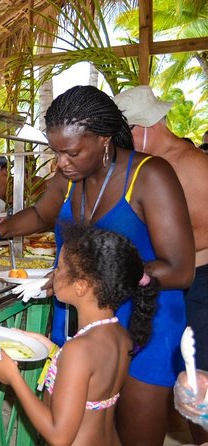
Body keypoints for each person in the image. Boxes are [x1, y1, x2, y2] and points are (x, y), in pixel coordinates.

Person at [0, 85, 195, 446]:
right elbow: (41, 213)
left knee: (135, 434)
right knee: (81, 430)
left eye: (71, 152)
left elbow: (180, 269)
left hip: (146, 322)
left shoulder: (150, 175)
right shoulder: (68, 177)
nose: (61, 163)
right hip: (82, 321)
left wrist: (97, 277)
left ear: (103, 140)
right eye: (56, 152)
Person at [0, 224, 157, 445]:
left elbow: (59, 436)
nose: (54, 272)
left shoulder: (79, 350)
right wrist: (53, 352)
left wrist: (13, 378)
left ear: (81, 286)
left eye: (60, 267)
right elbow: (91, 383)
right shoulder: (120, 335)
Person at [114, 85, 208, 444]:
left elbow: (203, 230)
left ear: (147, 126)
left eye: (129, 132)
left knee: (196, 375)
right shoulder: (149, 165)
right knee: (171, 371)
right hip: (166, 280)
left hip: (197, 282)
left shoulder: (190, 163)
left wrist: (152, 255)